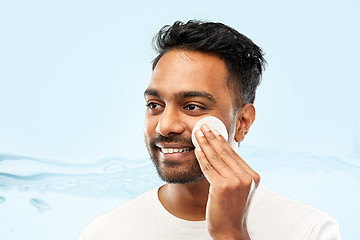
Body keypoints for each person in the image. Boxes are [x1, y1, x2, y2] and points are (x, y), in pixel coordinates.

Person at [79, 20, 341, 240]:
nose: (165, 125)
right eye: (154, 105)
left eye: (192, 106)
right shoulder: (104, 233)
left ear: (242, 123)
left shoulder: (309, 230)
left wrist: (230, 233)